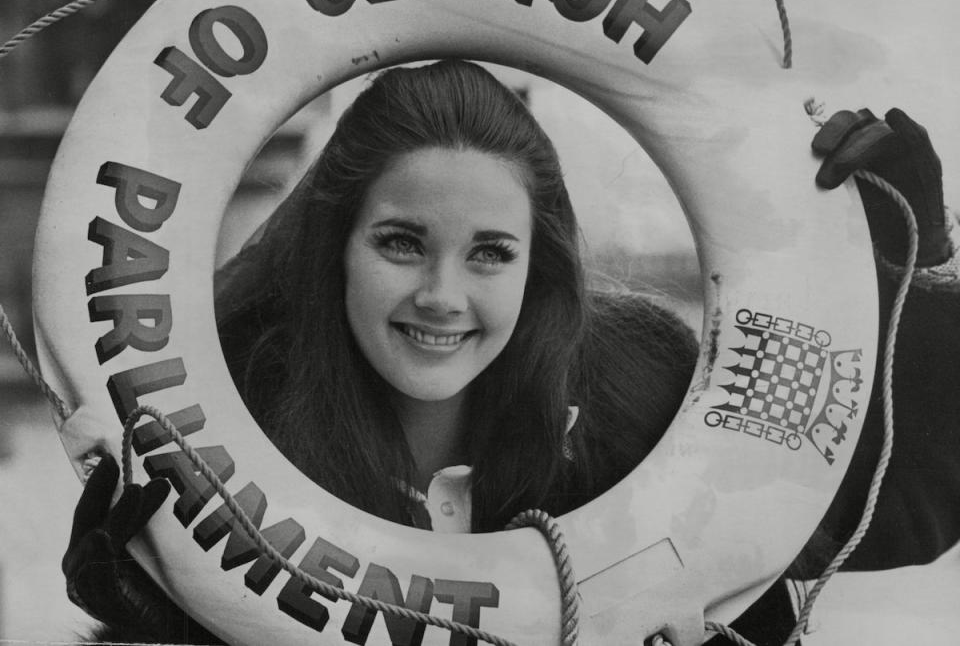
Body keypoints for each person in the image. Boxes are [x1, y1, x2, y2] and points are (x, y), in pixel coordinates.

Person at [61, 60, 960, 645]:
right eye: (402, 243)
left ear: (540, 265)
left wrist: (885, 278)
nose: (442, 295)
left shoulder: (642, 403)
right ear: (336, 244)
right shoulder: (233, 438)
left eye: (490, 252)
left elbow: (886, 503)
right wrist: (157, 617)